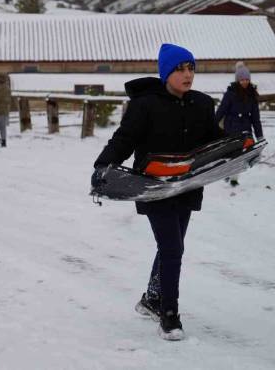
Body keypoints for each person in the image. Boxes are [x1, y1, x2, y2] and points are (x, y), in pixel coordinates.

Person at [92, 44, 223, 341]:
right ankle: (169, 314)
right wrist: (103, 165)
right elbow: (124, 139)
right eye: (181, 69)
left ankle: (152, 297)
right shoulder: (145, 105)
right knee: (173, 249)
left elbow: (214, 140)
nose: (188, 75)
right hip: (153, 187)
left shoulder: (202, 104)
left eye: (191, 68)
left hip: (187, 185)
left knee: (170, 246)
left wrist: (240, 146)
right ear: (166, 73)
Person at [214, 61, 264, 187]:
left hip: (245, 129)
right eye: (242, 79)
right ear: (238, 80)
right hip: (230, 128)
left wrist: (260, 136)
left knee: (241, 155)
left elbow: (255, 118)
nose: (245, 82)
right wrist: (211, 125)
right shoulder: (230, 93)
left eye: (247, 79)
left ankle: (234, 178)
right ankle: (227, 173)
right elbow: (221, 111)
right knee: (230, 154)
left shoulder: (252, 95)